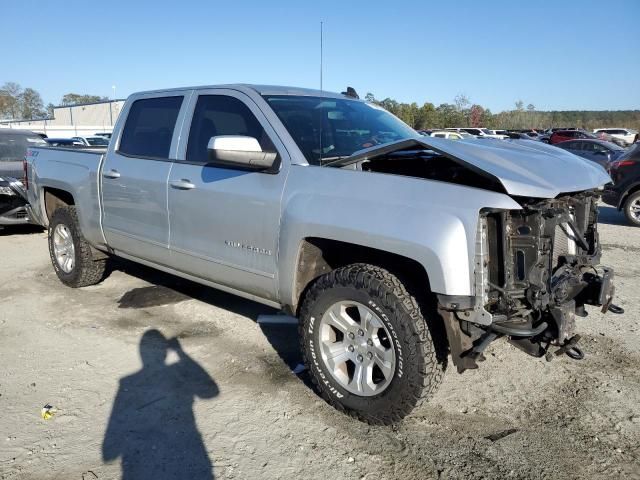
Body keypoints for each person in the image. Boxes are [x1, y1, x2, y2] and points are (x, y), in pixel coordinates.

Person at [103, 330, 219, 479]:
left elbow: (109, 451)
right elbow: (211, 392)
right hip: (184, 451)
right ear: (164, 353)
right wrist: (181, 353)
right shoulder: (175, 373)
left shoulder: (128, 383)